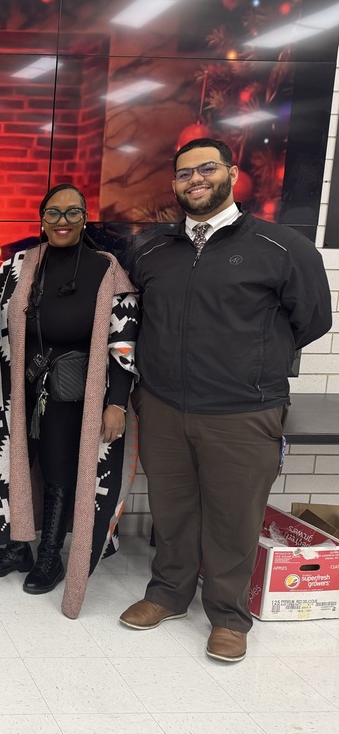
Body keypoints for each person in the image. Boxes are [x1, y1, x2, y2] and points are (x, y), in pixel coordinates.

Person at [121, 138, 331, 662]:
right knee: (172, 511)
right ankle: (168, 595)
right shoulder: (151, 250)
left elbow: (312, 320)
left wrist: (248, 362)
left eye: (207, 168)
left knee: (234, 519)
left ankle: (229, 617)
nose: (195, 179)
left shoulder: (282, 247)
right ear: (174, 185)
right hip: (164, 407)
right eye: (184, 173)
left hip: (243, 412)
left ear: (231, 175)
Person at [0, 184, 139, 618]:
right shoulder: (18, 265)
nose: (62, 221)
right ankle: (18, 545)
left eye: (72, 212)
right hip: (19, 387)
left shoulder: (106, 269)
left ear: (85, 218)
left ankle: (50, 554)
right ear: (41, 218)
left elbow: (124, 341)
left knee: (57, 468)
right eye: (53, 213)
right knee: (16, 462)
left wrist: (117, 403)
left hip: (72, 392)